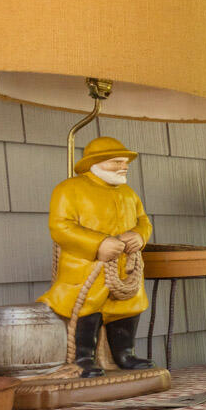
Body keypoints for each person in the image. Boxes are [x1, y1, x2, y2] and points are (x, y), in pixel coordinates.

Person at [41, 136, 155, 376]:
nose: (123, 167)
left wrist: (139, 236)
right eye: (116, 162)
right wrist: (98, 244)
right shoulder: (69, 189)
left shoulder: (128, 193)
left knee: (128, 307)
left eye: (125, 162)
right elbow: (61, 227)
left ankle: (125, 353)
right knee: (86, 308)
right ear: (95, 163)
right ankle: (83, 357)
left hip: (125, 269)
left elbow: (143, 220)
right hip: (86, 266)